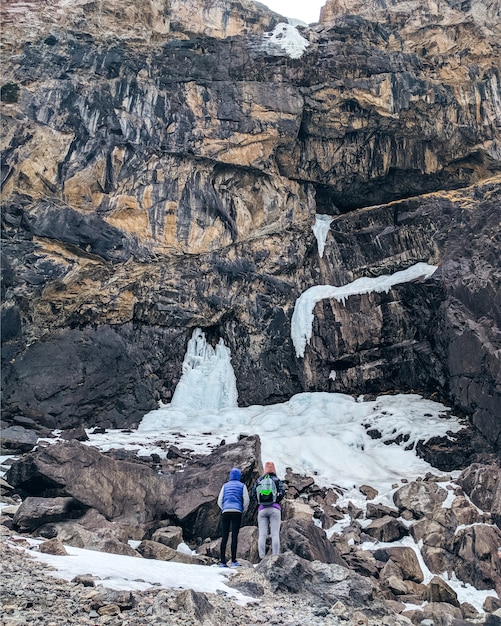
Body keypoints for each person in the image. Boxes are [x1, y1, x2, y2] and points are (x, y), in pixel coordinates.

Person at [252, 461, 285, 559]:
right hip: (275, 509)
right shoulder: (276, 480)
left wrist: (260, 502)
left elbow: (253, 494)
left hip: (262, 510)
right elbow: (282, 492)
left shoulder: (260, 480)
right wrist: (276, 500)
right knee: (275, 534)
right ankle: (275, 556)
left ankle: (262, 556)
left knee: (262, 535)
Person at [217, 467, 249, 567]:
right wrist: (242, 509)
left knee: (224, 536)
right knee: (234, 536)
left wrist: (224, 508)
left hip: (226, 511)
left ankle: (222, 562)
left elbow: (219, 500)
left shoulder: (225, 486)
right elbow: (246, 500)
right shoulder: (242, 485)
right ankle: (234, 561)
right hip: (237, 512)